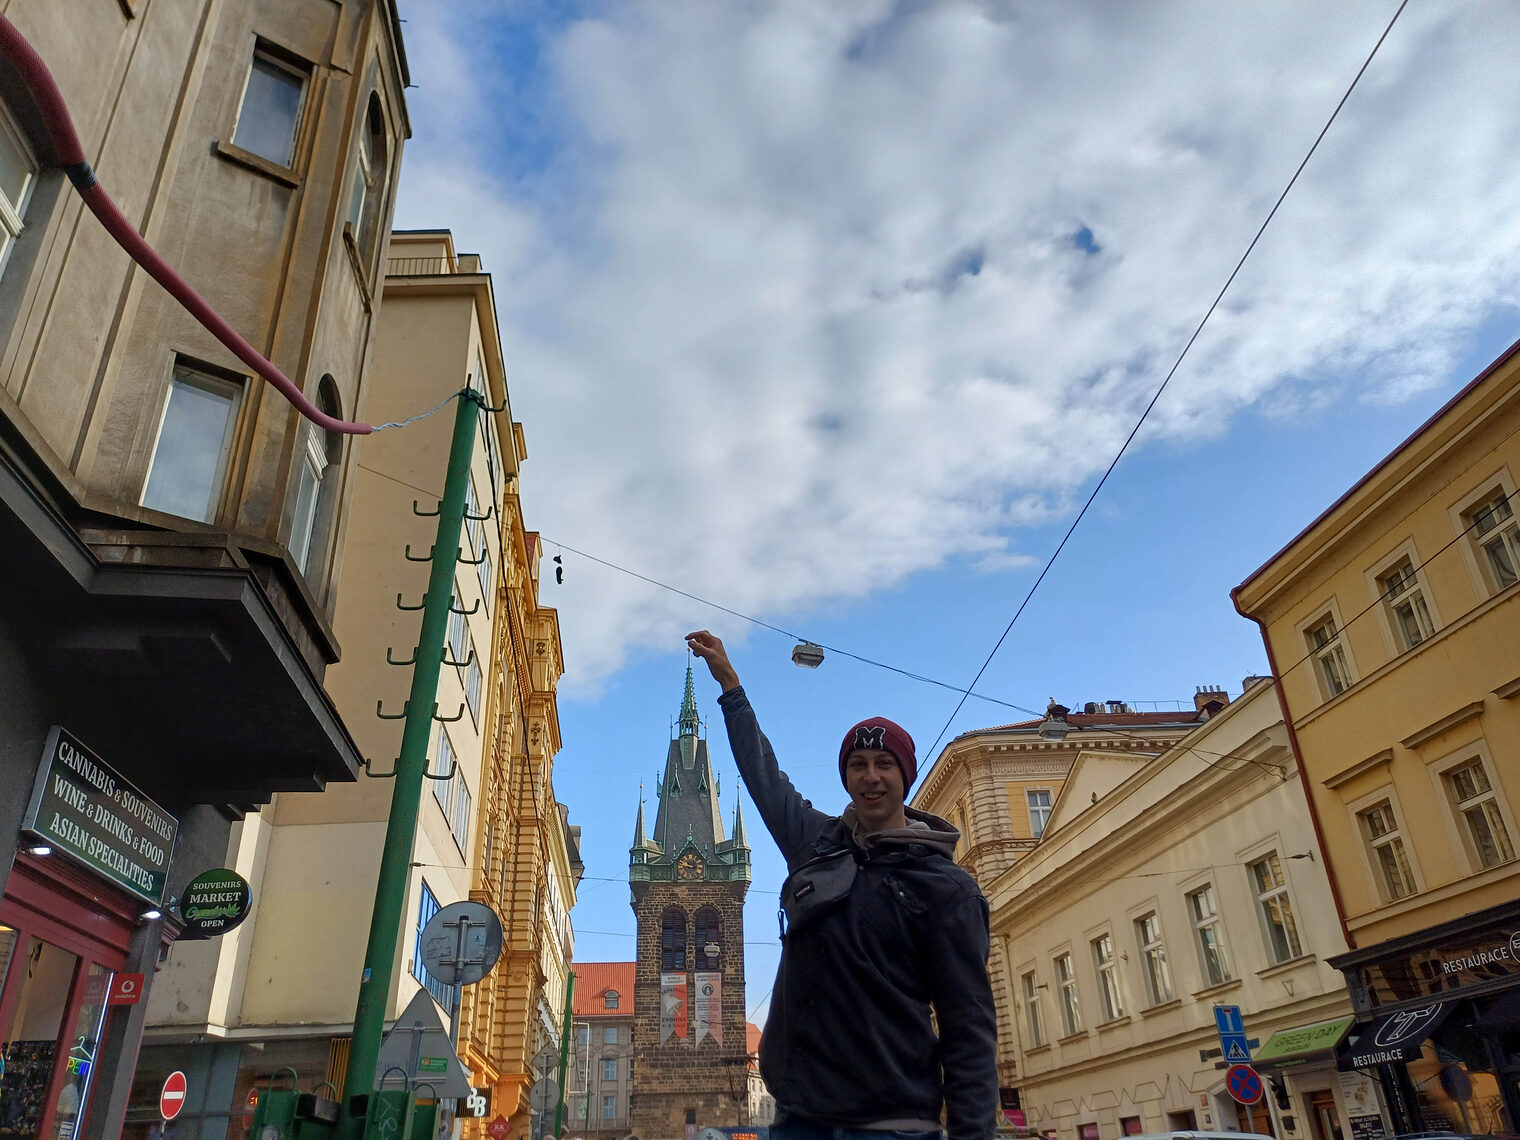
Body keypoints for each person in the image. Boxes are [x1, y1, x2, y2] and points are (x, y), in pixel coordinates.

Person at [685, 630, 997, 1140]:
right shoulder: (816, 842)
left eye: (884, 765)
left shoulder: (947, 888)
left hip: (893, 1125)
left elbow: (970, 1031)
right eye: (858, 765)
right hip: (802, 1118)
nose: (871, 776)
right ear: (846, 777)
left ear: (904, 776)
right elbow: (766, 778)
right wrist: (731, 687)